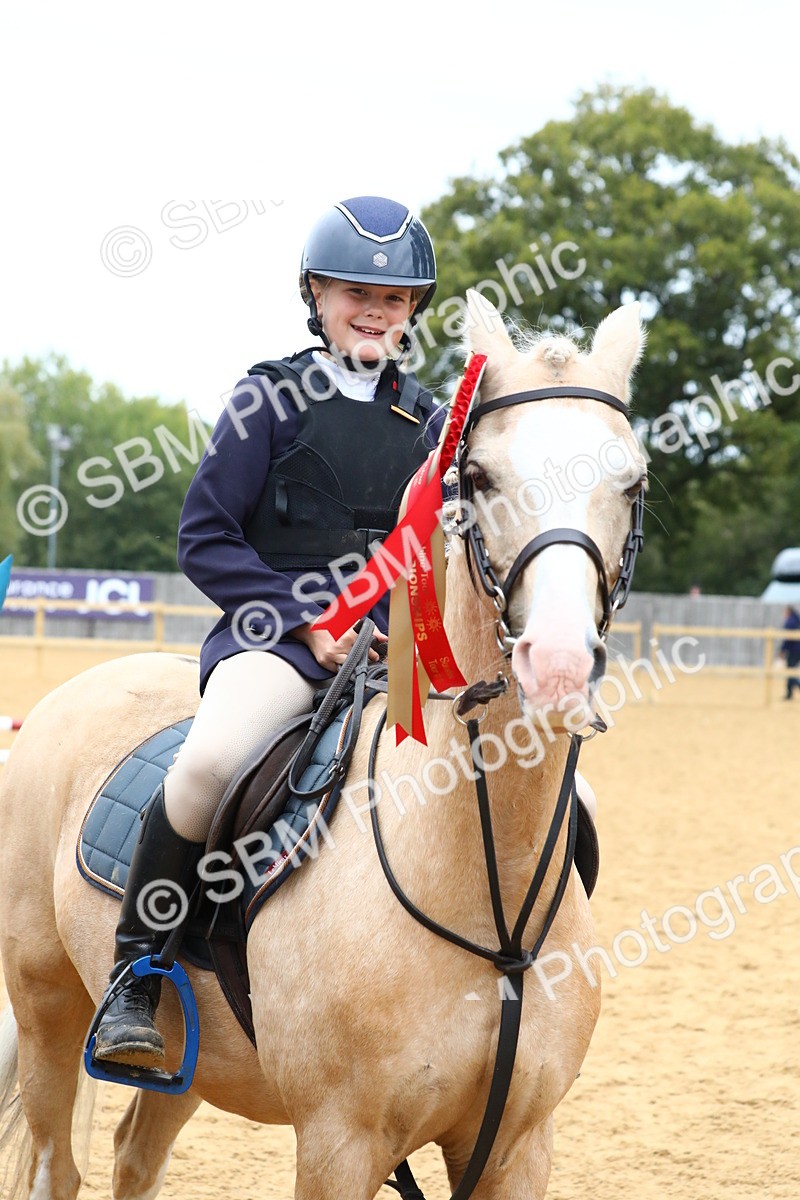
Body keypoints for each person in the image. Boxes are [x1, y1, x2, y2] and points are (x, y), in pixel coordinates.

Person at [93, 196, 442, 1067]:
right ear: (315, 295)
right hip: (277, 640)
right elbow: (204, 538)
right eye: (354, 290)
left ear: (412, 312)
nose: (373, 309)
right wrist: (301, 622)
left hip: (394, 651)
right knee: (210, 762)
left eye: (393, 298)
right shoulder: (268, 398)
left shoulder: (432, 420)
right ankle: (137, 973)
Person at [779, 605, 800, 700]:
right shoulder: (797, 620)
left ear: (788, 612)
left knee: (790, 672)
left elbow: (788, 639)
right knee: (791, 671)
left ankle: (790, 693)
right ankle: (789, 693)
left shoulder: (790, 622)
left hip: (793, 650)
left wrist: (782, 650)